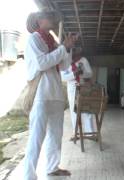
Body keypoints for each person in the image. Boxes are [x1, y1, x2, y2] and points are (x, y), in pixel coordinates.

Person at [24, 11, 78, 179]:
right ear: (39, 21)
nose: (53, 19)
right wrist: (62, 48)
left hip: (55, 93)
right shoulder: (34, 39)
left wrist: (67, 48)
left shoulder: (53, 43)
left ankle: (53, 167)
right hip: (41, 93)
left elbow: (64, 66)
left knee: (56, 134)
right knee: (36, 136)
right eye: (49, 17)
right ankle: (29, 175)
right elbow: (42, 63)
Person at [61, 48, 95, 138]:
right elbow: (63, 78)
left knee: (87, 110)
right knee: (74, 110)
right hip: (72, 89)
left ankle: (90, 133)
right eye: (73, 50)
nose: (75, 52)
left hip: (84, 87)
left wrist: (81, 73)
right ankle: (76, 133)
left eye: (77, 50)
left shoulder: (83, 60)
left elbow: (90, 74)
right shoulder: (65, 62)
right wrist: (74, 74)